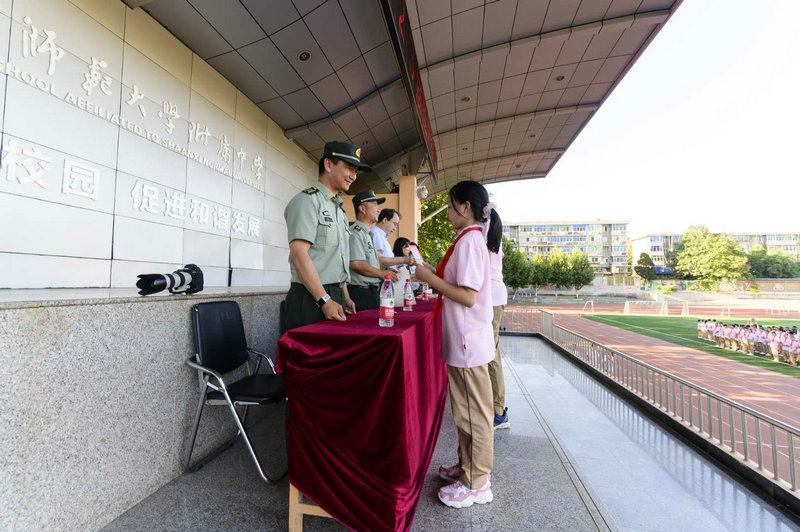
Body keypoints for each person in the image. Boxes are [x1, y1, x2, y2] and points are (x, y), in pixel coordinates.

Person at [412, 180, 497, 509]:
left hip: (468, 341)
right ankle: (467, 467)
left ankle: (477, 482)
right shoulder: (467, 239)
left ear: (465, 207)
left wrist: (429, 279)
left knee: (473, 414)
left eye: (449, 207)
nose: (447, 213)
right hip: (464, 339)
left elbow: (468, 295)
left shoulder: (471, 241)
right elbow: (457, 284)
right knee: (465, 411)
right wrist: (431, 273)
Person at [281, 141, 369, 331]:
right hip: (310, 298)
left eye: (356, 171)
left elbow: (336, 259)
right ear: (328, 164)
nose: (353, 176)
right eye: (349, 168)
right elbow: (299, 254)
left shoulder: (339, 211)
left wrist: (345, 297)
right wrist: (324, 299)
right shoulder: (307, 201)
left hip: (333, 296)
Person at [348, 190, 397, 311]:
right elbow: (356, 264)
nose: (378, 210)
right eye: (374, 205)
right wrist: (381, 273)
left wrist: (385, 270)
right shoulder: (355, 233)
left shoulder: (368, 234)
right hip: (360, 293)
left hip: (371, 292)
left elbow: (371, 263)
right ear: (362, 208)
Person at [487, 207, 509, 430]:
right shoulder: (490, 229)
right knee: (492, 352)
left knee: (491, 354)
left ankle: (498, 411)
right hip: (494, 296)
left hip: (492, 298)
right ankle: (496, 407)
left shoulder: (484, 230)